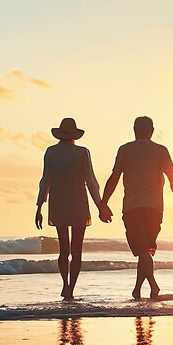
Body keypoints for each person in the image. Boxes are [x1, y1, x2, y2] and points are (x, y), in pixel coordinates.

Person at [100, 116, 173, 300]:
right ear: (152, 131)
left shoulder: (125, 150)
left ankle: (153, 287)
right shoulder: (161, 150)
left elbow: (114, 177)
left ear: (134, 130)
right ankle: (138, 289)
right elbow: (172, 178)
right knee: (145, 250)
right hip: (155, 208)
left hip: (132, 207)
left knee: (143, 251)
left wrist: (103, 203)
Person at [36, 117, 112, 300]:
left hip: (59, 200)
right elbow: (91, 181)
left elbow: (45, 180)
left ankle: (65, 284)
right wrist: (101, 205)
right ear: (74, 135)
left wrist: (39, 206)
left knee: (64, 248)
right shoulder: (82, 152)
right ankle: (71, 288)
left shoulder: (51, 152)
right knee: (76, 249)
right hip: (78, 199)